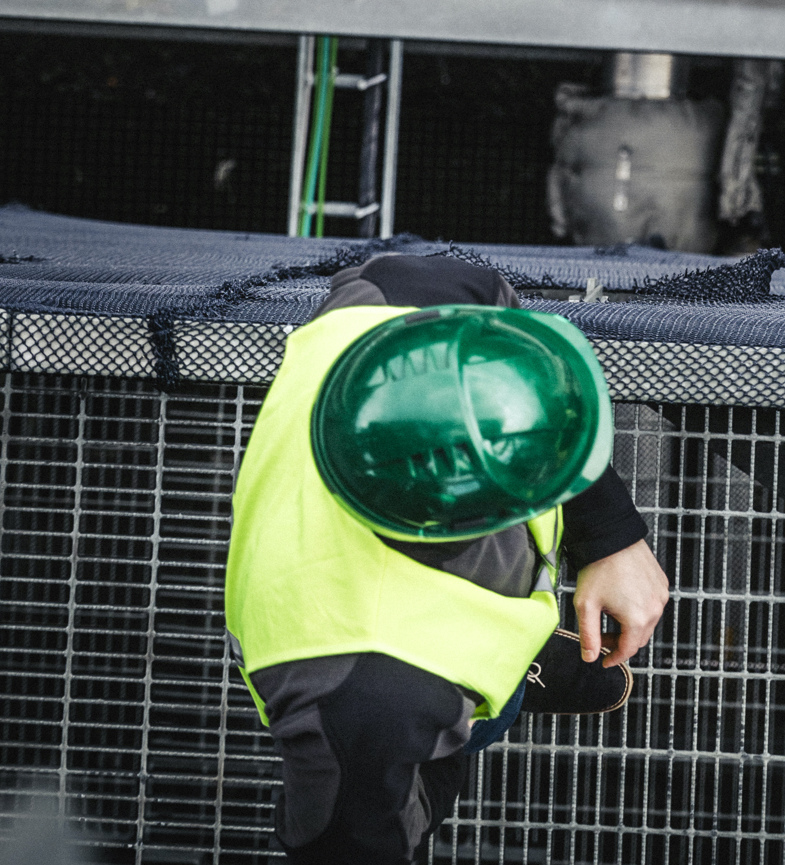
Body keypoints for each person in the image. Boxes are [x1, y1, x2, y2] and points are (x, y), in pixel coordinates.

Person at [224, 254, 671, 863]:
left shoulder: (388, 304)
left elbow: (503, 336)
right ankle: (501, 682)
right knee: (468, 723)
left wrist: (612, 536)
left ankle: (506, 644)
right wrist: (452, 730)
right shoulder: (367, 698)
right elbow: (344, 841)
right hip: (390, 686)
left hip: (394, 670)